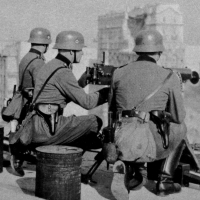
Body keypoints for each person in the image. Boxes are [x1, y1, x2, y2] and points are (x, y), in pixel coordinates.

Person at [109, 29, 200, 199]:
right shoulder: (169, 76)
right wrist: (177, 89)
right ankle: (164, 180)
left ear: (137, 51)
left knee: (132, 127)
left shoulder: (118, 72)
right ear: (159, 52)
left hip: (120, 139)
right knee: (180, 128)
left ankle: (131, 170)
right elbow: (178, 117)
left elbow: (112, 110)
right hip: (149, 143)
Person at [9, 30, 109, 176]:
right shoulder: (63, 72)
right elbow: (87, 103)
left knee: (80, 127)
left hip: (35, 124)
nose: (82, 54)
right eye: (79, 50)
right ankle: (63, 164)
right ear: (70, 51)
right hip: (46, 128)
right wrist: (108, 91)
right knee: (95, 122)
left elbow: (61, 97)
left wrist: (82, 81)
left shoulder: (50, 65)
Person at [9, 27, 52, 176]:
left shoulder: (26, 58)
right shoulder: (38, 62)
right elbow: (42, 88)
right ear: (45, 44)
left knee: (22, 129)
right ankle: (23, 158)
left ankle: (17, 157)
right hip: (30, 103)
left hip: (21, 101)